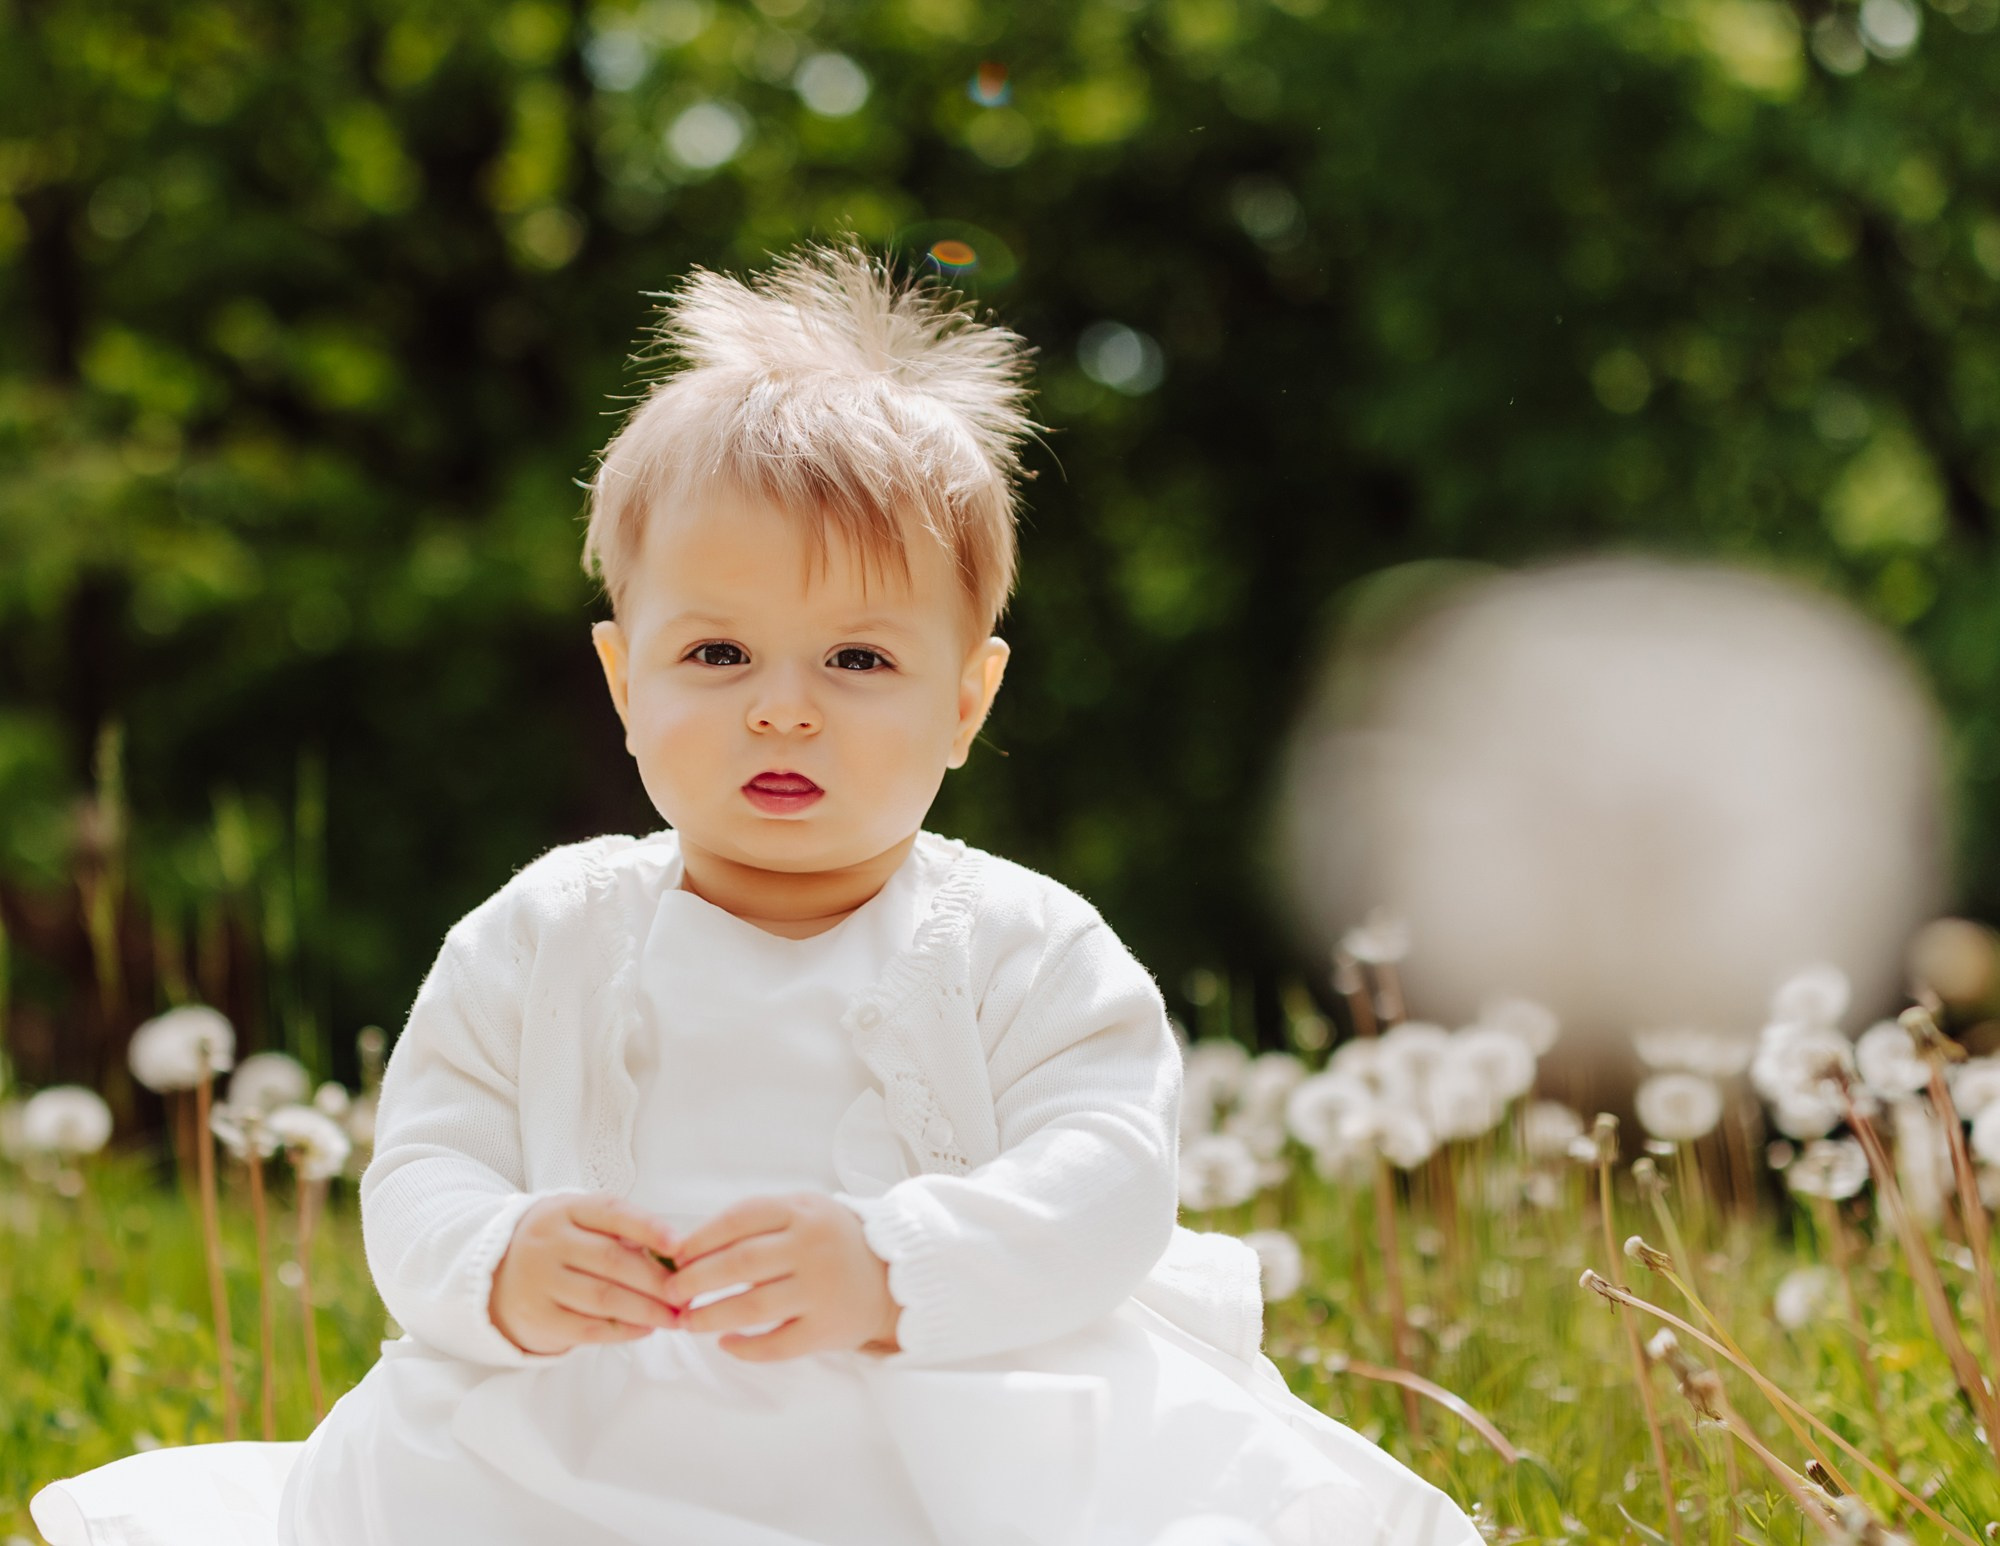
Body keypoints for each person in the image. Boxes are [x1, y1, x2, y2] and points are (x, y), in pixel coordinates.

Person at [30, 246, 1481, 1546]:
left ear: (967, 700)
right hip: (584, 1425)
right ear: (622, 679)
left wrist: (894, 1264)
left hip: (941, 1413)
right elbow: (424, 1162)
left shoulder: (1025, 945)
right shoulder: (543, 932)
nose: (782, 712)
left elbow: (1106, 1179)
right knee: (423, 1478)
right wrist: (499, 1260)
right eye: (718, 654)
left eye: (857, 660)